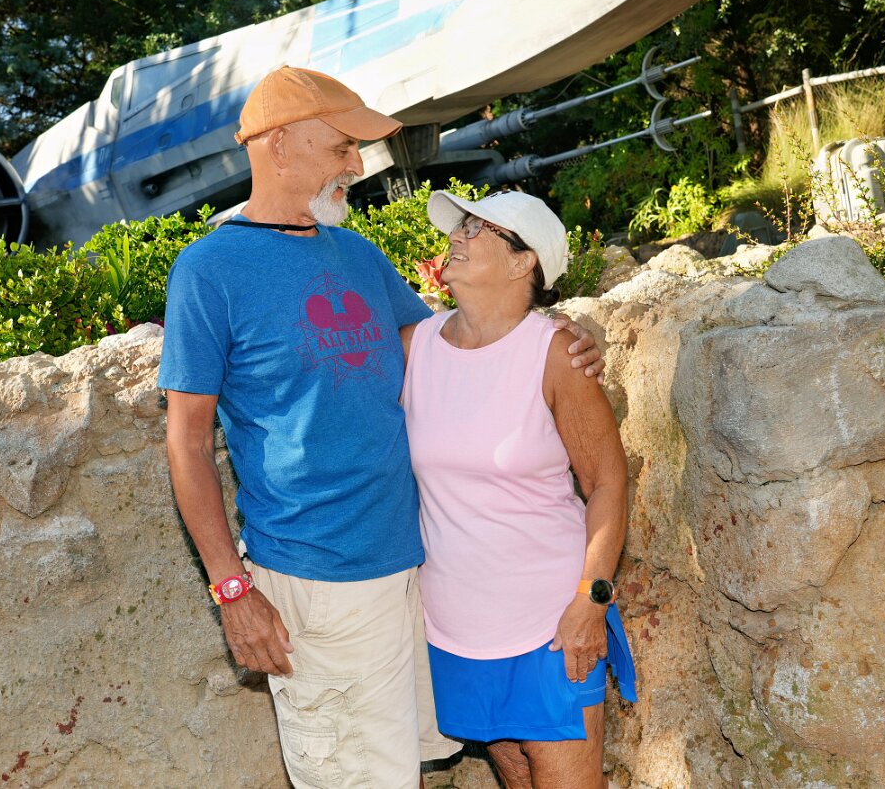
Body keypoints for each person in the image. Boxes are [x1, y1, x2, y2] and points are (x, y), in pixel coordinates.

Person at [158, 65, 602, 788]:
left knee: (428, 762)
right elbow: (185, 442)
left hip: (413, 573)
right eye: (341, 147)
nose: (356, 167)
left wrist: (563, 334)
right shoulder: (210, 270)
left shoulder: (358, 255)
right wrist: (231, 590)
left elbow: (458, 345)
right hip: (316, 581)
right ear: (279, 144)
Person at [401, 189, 637, 789]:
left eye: (478, 228)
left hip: (552, 622)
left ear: (523, 261)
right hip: (454, 629)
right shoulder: (413, 347)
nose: (457, 235)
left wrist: (592, 600)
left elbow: (607, 483)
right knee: (514, 776)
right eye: (460, 225)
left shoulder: (555, 353)